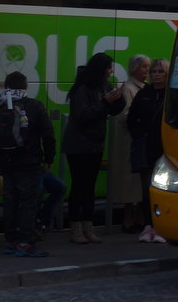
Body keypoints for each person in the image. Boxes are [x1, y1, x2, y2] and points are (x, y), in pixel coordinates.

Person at [0, 71, 56, 257]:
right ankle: (25, 243)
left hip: (6, 165)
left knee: (11, 202)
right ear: (25, 87)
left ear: (6, 86)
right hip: (29, 163)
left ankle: (11, 241)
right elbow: (48, 134)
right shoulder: (34, 106)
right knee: (29, 203)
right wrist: (49, 157)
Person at [62, 52, 125, 244]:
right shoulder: (82, 89)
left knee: (88, 187)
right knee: (79, 186)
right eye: (108, 68)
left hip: (95, 143)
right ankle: (75, 229)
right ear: (100, 70)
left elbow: (112, 111)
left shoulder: (104, 86)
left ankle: (88, 228)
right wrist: (105, 101)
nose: (110, 71)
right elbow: (83, 116)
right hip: (79, 145)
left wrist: (118, 99)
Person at [127, 57, 169, 243]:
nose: (156, 75)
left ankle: (163, 226)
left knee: (165, 189)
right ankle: (148, 226)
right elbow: (131, 119)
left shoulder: (171, 94)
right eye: (154, 72)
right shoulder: (145, 93)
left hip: (166, 148)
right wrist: (138, 136)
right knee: (147, 188)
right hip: (146, 147)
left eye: (160, 72)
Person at [108, 54, 149, 232]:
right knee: (129, 179)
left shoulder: (145, 88)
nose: (146, 71)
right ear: (134, 68)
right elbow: (124, 116)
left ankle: (139, 217)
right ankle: (128, 218)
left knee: (140, 180)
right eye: (143, 67)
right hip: (130, 139)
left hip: (141, 139)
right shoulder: (128, 88)